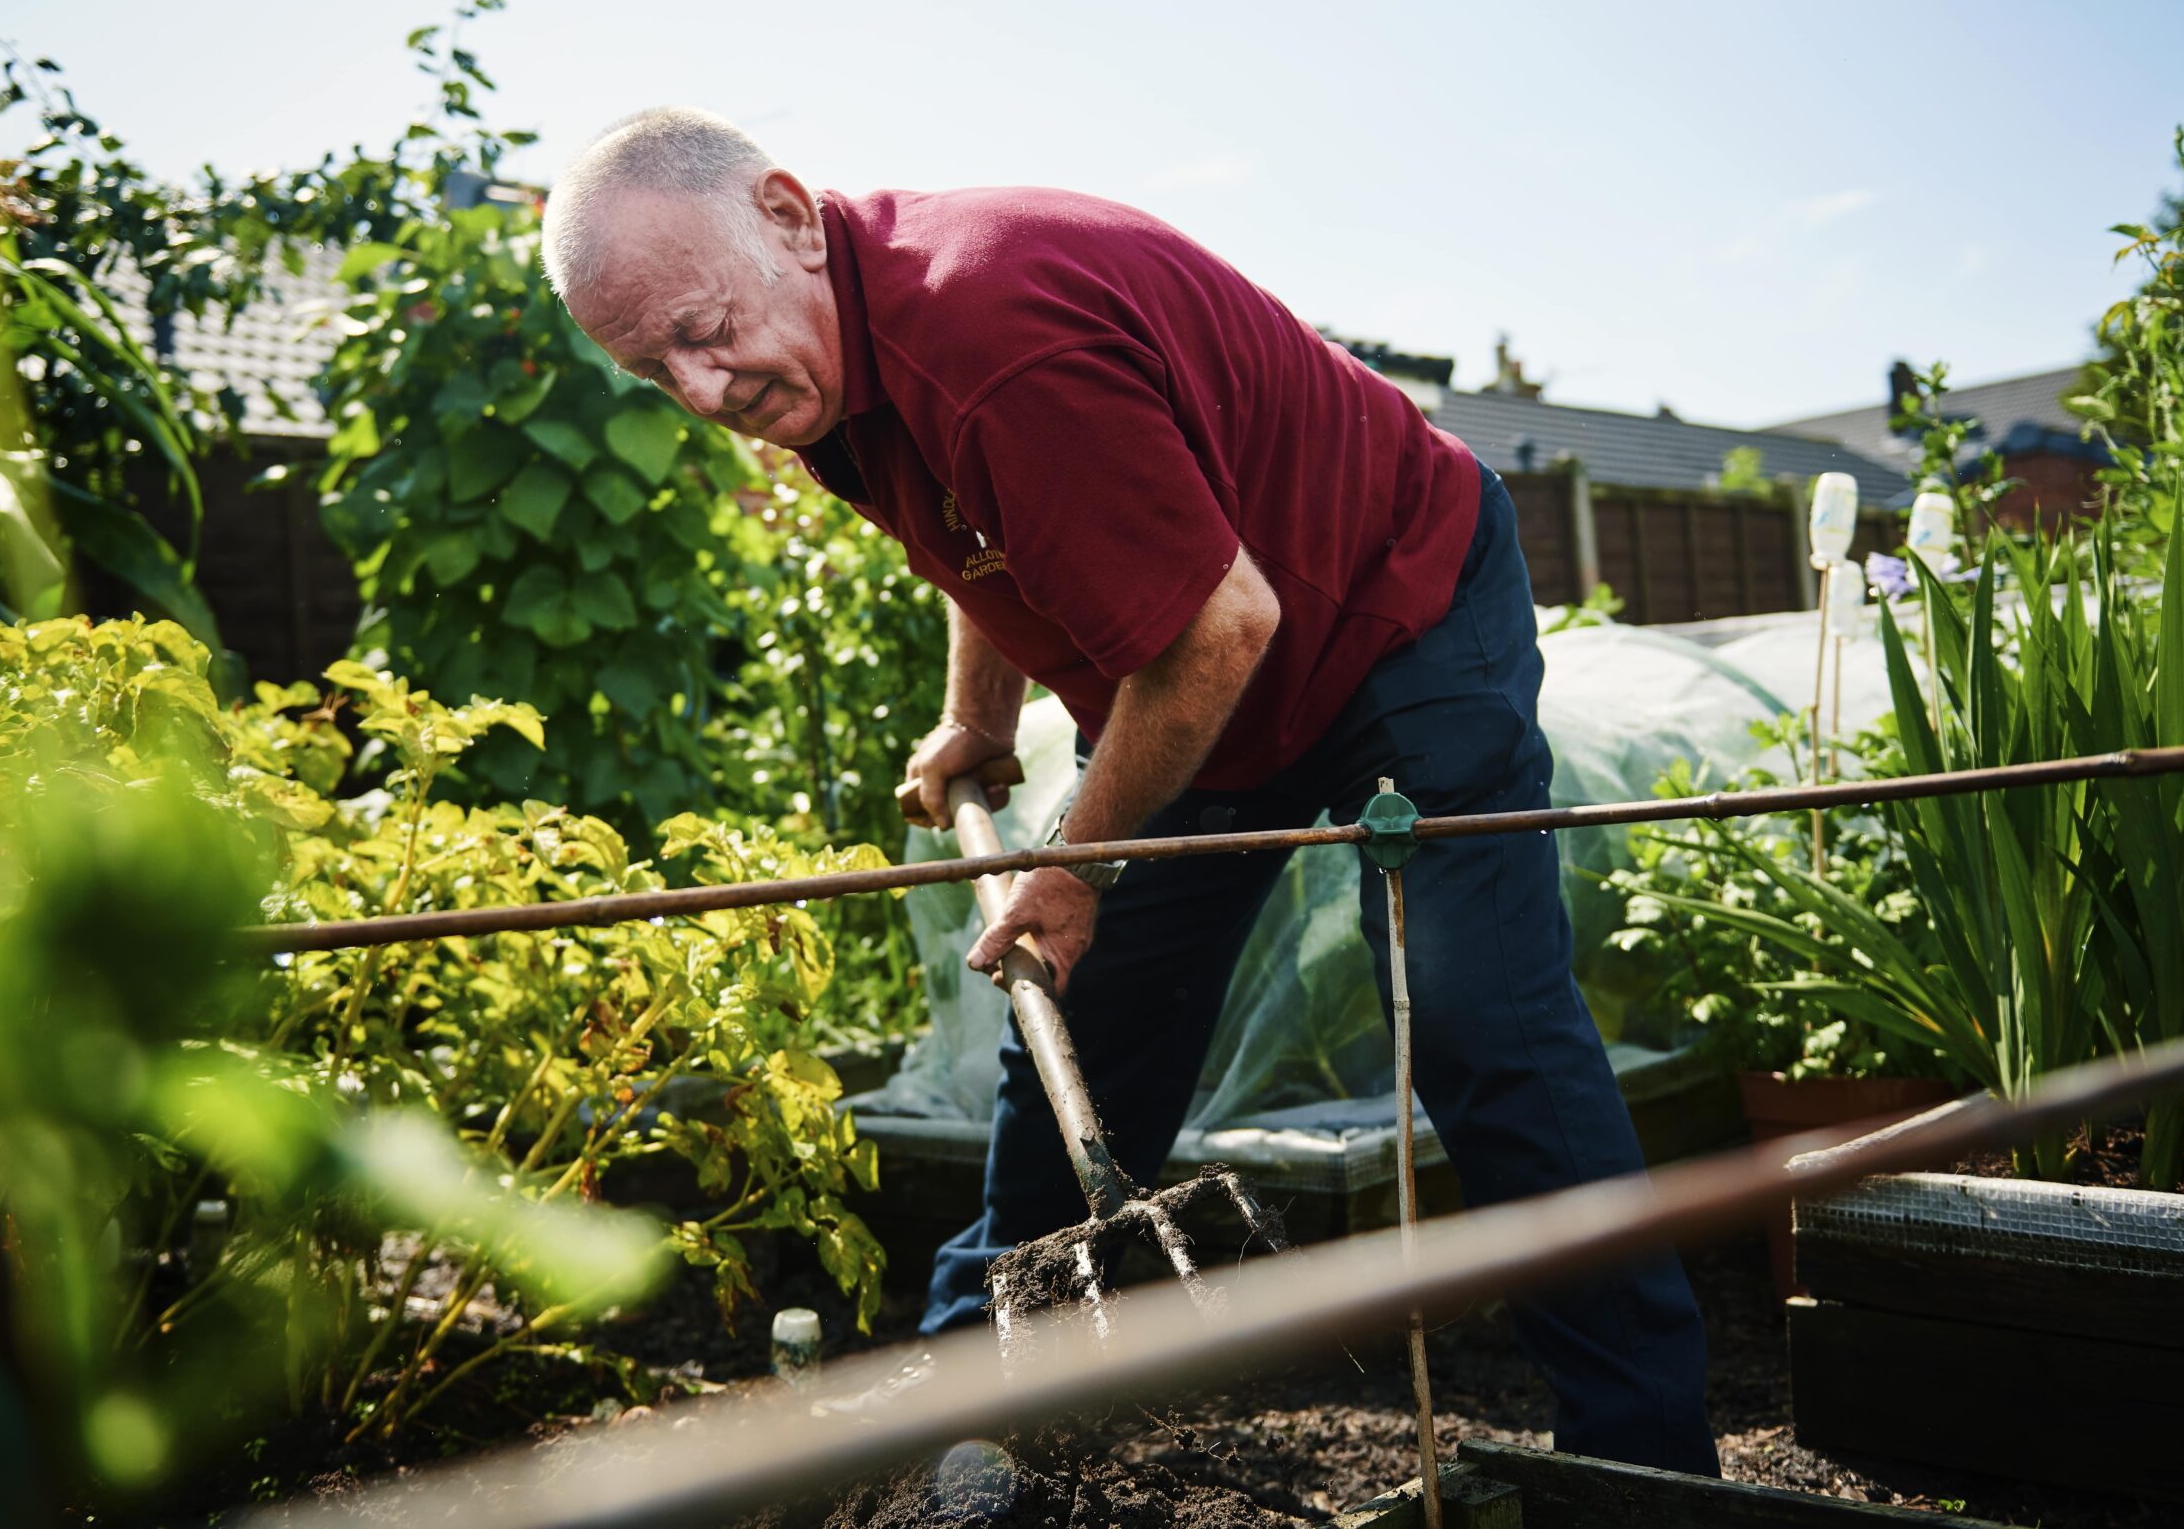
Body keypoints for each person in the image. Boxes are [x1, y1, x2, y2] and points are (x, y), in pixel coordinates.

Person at [541, 106, 1720, 1475]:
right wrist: (975, 718)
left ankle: (1647, 1467)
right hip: (1215, 670)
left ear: (792, 217)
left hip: (1396, 607)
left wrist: (1073, 861)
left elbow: (1220, 628)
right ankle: (970, 1428)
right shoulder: (820, 357)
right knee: (1078, 1021)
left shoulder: (986, 327)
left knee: (1480, 1019)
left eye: (699, 330)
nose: (698, 391)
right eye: (652, 370)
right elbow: (982, 533)